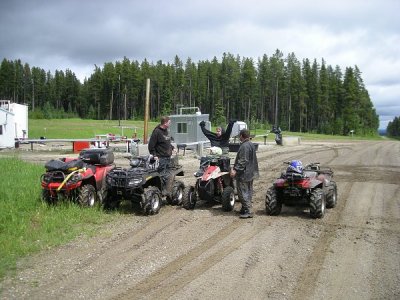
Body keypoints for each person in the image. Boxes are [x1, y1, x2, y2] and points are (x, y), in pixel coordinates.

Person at [230, 129, 259, 219]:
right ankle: (245, 207)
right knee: (248, 191)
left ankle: (248, 210)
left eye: (239, 136)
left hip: (244, 174)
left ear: (241, 136)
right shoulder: (251, 144)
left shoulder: (244, 146)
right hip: (251, 172)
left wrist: (235, 170)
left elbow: (243, 160)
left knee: (242, 192)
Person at [148, 116, 175, 196]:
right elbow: (151, 145)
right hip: (160, 158)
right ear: (165, 123)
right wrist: (154, 155)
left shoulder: (166, 131)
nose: (170, 124)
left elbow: (166, 142)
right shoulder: (157, 132)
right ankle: (161, 192)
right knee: (162, 175)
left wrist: (172, 148)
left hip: (167, 157)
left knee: (167, 175)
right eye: (169, 122)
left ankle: (167, 191)